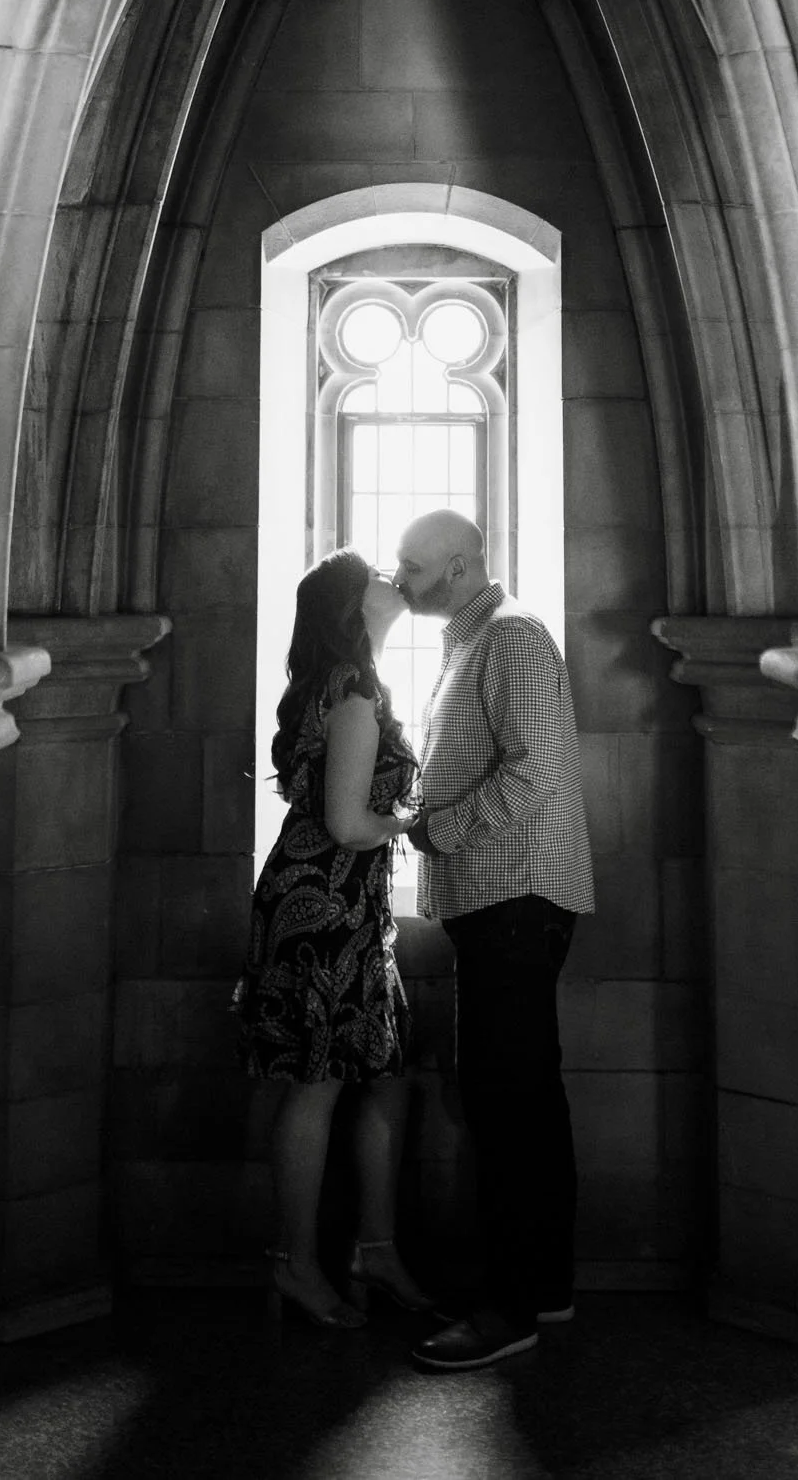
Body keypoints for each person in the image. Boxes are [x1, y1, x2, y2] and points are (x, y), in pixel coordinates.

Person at [393, 509, 595, 1371]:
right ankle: (541, 1290)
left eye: (413, 567)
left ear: (462, 566)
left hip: (516, 901)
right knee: (522, 1105)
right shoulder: (474, 640)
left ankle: (506, 1309)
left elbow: (536, 768)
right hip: (502, 904)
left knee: (506, 1107)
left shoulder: (510, 638)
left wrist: (442, 829)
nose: (401, 582)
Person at [233, 547, 435, 1328]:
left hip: (345, 906)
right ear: (354, 608)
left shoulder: (350, 685)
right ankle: (294, 1263)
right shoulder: (351, 694)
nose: (395, 580)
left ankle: (374, 1250)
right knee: (316, 1083)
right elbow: (351, 824)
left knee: (383, 1073)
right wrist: (418, 822)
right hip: (321, 908)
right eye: (380, 577)